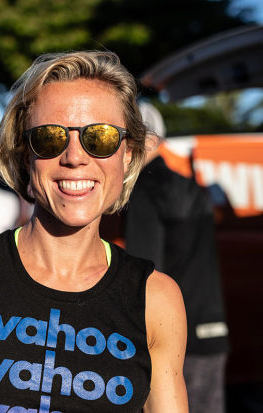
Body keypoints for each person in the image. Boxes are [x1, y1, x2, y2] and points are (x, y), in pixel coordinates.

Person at [0, 51, 188, 413]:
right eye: (50, 138)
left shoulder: (156, 298)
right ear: (26, 156)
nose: (74, 157)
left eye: (100, 138)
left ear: (128, 154)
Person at [125, 102, 229, 413]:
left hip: (174, 341)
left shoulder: (144, 190)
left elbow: (143, 273)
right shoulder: (188, 185)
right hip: (211, 329)